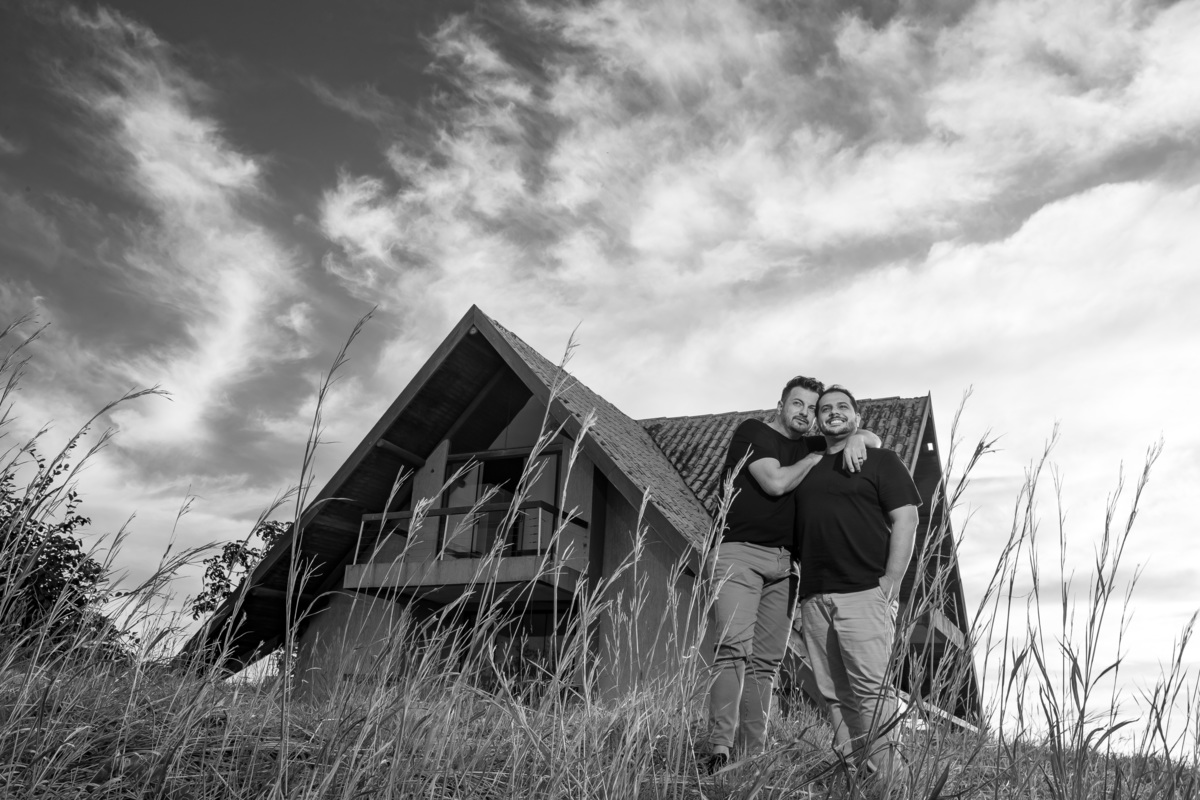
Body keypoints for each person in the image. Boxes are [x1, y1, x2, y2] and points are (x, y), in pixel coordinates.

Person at [706, 376, 880, 772]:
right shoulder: (754, 432)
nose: (804, 412)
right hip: (740, 552)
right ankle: (719, 748)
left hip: (787, 565)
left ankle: (752, 754)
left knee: (766, 662)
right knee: (733, 648)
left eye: (812, 408)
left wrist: (856, 438)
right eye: (797, 403)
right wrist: (815, 460)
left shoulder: (812, 443)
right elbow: (776, 482)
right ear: (781, 405)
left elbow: (873, 439)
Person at [795, 385, 921, 789]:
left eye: (842, 407)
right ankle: (856, 781)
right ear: (817, 421)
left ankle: (891, 786)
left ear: (857, 418)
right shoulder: (808, 465)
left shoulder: (880, 460)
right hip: (814, 596)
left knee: (872, 692)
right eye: (826, 409)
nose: (833, 412)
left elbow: (907, 519)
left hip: (865, 591)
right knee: (834, 695)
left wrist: (890, 582)